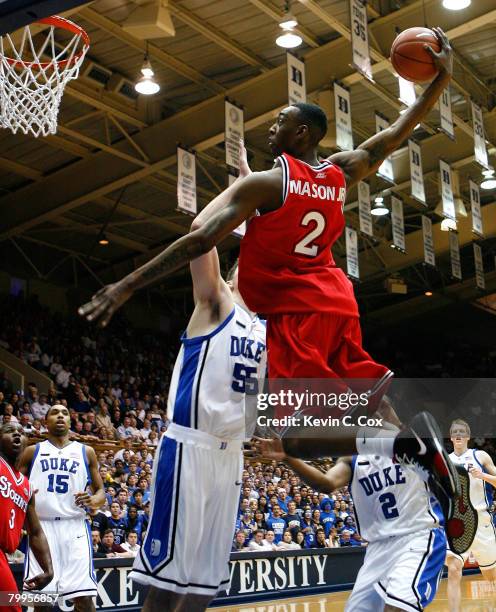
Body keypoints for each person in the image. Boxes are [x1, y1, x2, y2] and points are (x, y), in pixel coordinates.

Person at [78, 31, 467, 545]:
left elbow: (199, 240)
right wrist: (441, 78)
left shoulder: (267, 183)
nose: (272, 127)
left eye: (282, 120)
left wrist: (126, 284)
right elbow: (399, 130)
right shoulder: (341, 171)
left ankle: (415, 449)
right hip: (338, 303)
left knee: (297, 437)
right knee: (371, 403)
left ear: (303, 132)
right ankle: (428, 459)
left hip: (295, 314)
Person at [107, 146, 268, 612]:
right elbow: (200, 231)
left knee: (201, 585)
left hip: (233, 458)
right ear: (237, 274)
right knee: (165, 583)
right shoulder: (216, 301)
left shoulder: (268, 326)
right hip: (190, 447)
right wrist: (244, 190)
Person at [257, 437, 447, 612]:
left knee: (398, 608)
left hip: (418, 536)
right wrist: (287, 457)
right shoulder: (353, 459)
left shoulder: (411, 445)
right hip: (378, 548)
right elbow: (326, 483)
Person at [19, 404, 106, 612]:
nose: (60, 416)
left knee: (84, 599)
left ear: (70, 421)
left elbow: (101, 492)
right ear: (45, 421)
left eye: (65, 413)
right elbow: (15, 486)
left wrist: (93, 501)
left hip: (75, 527)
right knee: (43, 601)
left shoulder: (87, 452)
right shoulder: (32, 451)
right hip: (42, 529)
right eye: (54, 413)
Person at [0, 423, 53, 612]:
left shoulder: (27, 487)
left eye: (21, 433)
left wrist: (48, 570)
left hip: (3, 556)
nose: (16, 434)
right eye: (9, 431)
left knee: (12, 604)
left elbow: (36, 532)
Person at [445, 419, 496, 612]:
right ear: (451, 437)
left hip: (482, 522)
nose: (458, 434)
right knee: (454, 570)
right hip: (457, 523)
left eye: (461, 432)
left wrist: (482, 476)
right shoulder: (446, 461)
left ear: (467, 436)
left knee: (491, 577)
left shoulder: (480, 456)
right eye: (454, 432)